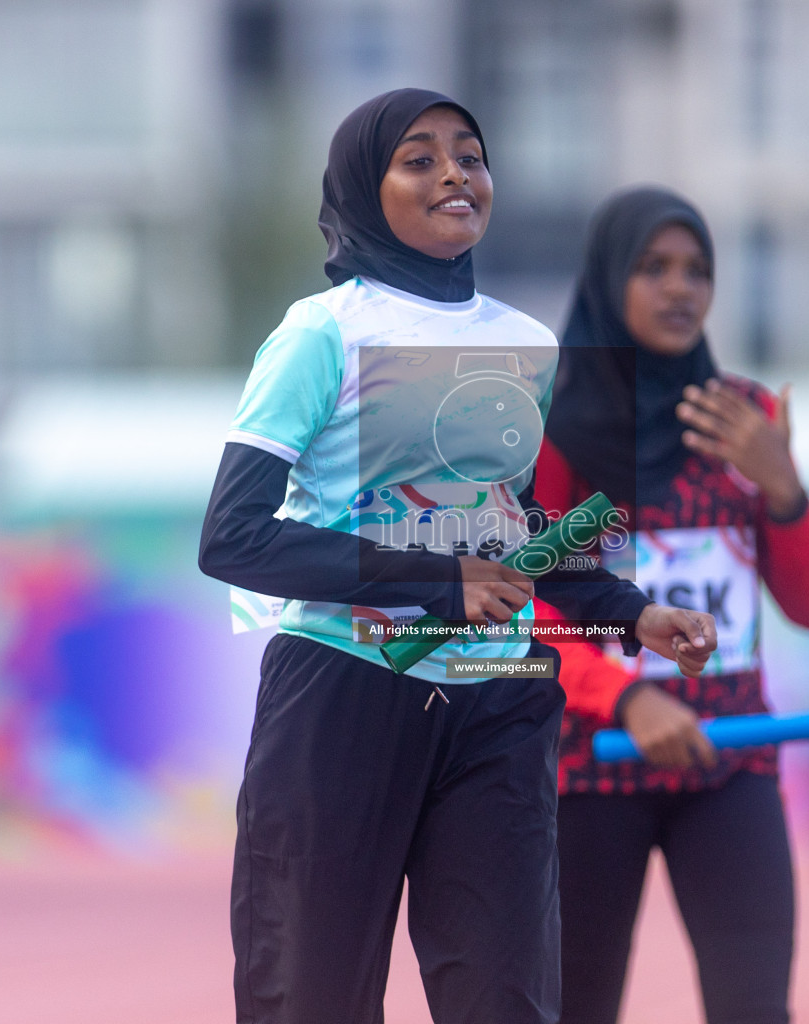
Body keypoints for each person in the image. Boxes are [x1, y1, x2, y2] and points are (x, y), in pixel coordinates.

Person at [197, 91, 718, 1024]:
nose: (453, 175)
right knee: (308, 1000)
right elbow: (232, 537)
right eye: (419, 158)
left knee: (508, 1002)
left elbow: (513, 535)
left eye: (469, 156)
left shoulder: (525, 343)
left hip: (499, 700)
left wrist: (632, 610)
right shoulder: (321, 333)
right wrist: (438, 581)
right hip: (343, 693)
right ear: (366, 187)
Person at [533, 187, 809, 1024]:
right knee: (572, 1008)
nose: (680, 289)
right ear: (605, 279)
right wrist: (625, 697)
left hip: (728, 758)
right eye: (653, 267)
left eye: (697, 270)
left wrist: (782, 487)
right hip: (589, 766)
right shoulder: (550, 426)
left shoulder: (742, 417)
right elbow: (529, 609)